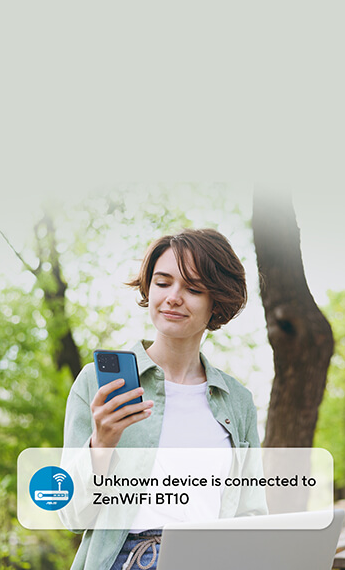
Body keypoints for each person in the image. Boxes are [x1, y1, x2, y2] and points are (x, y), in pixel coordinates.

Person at [63, 228, 265, 570]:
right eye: (163, 282)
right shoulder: (96, 384)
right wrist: (101, 444)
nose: (173, 297)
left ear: (216, 301)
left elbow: (251, 511)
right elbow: (71, 515)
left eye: (193, 288)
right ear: (148, 288)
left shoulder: (237, 400)